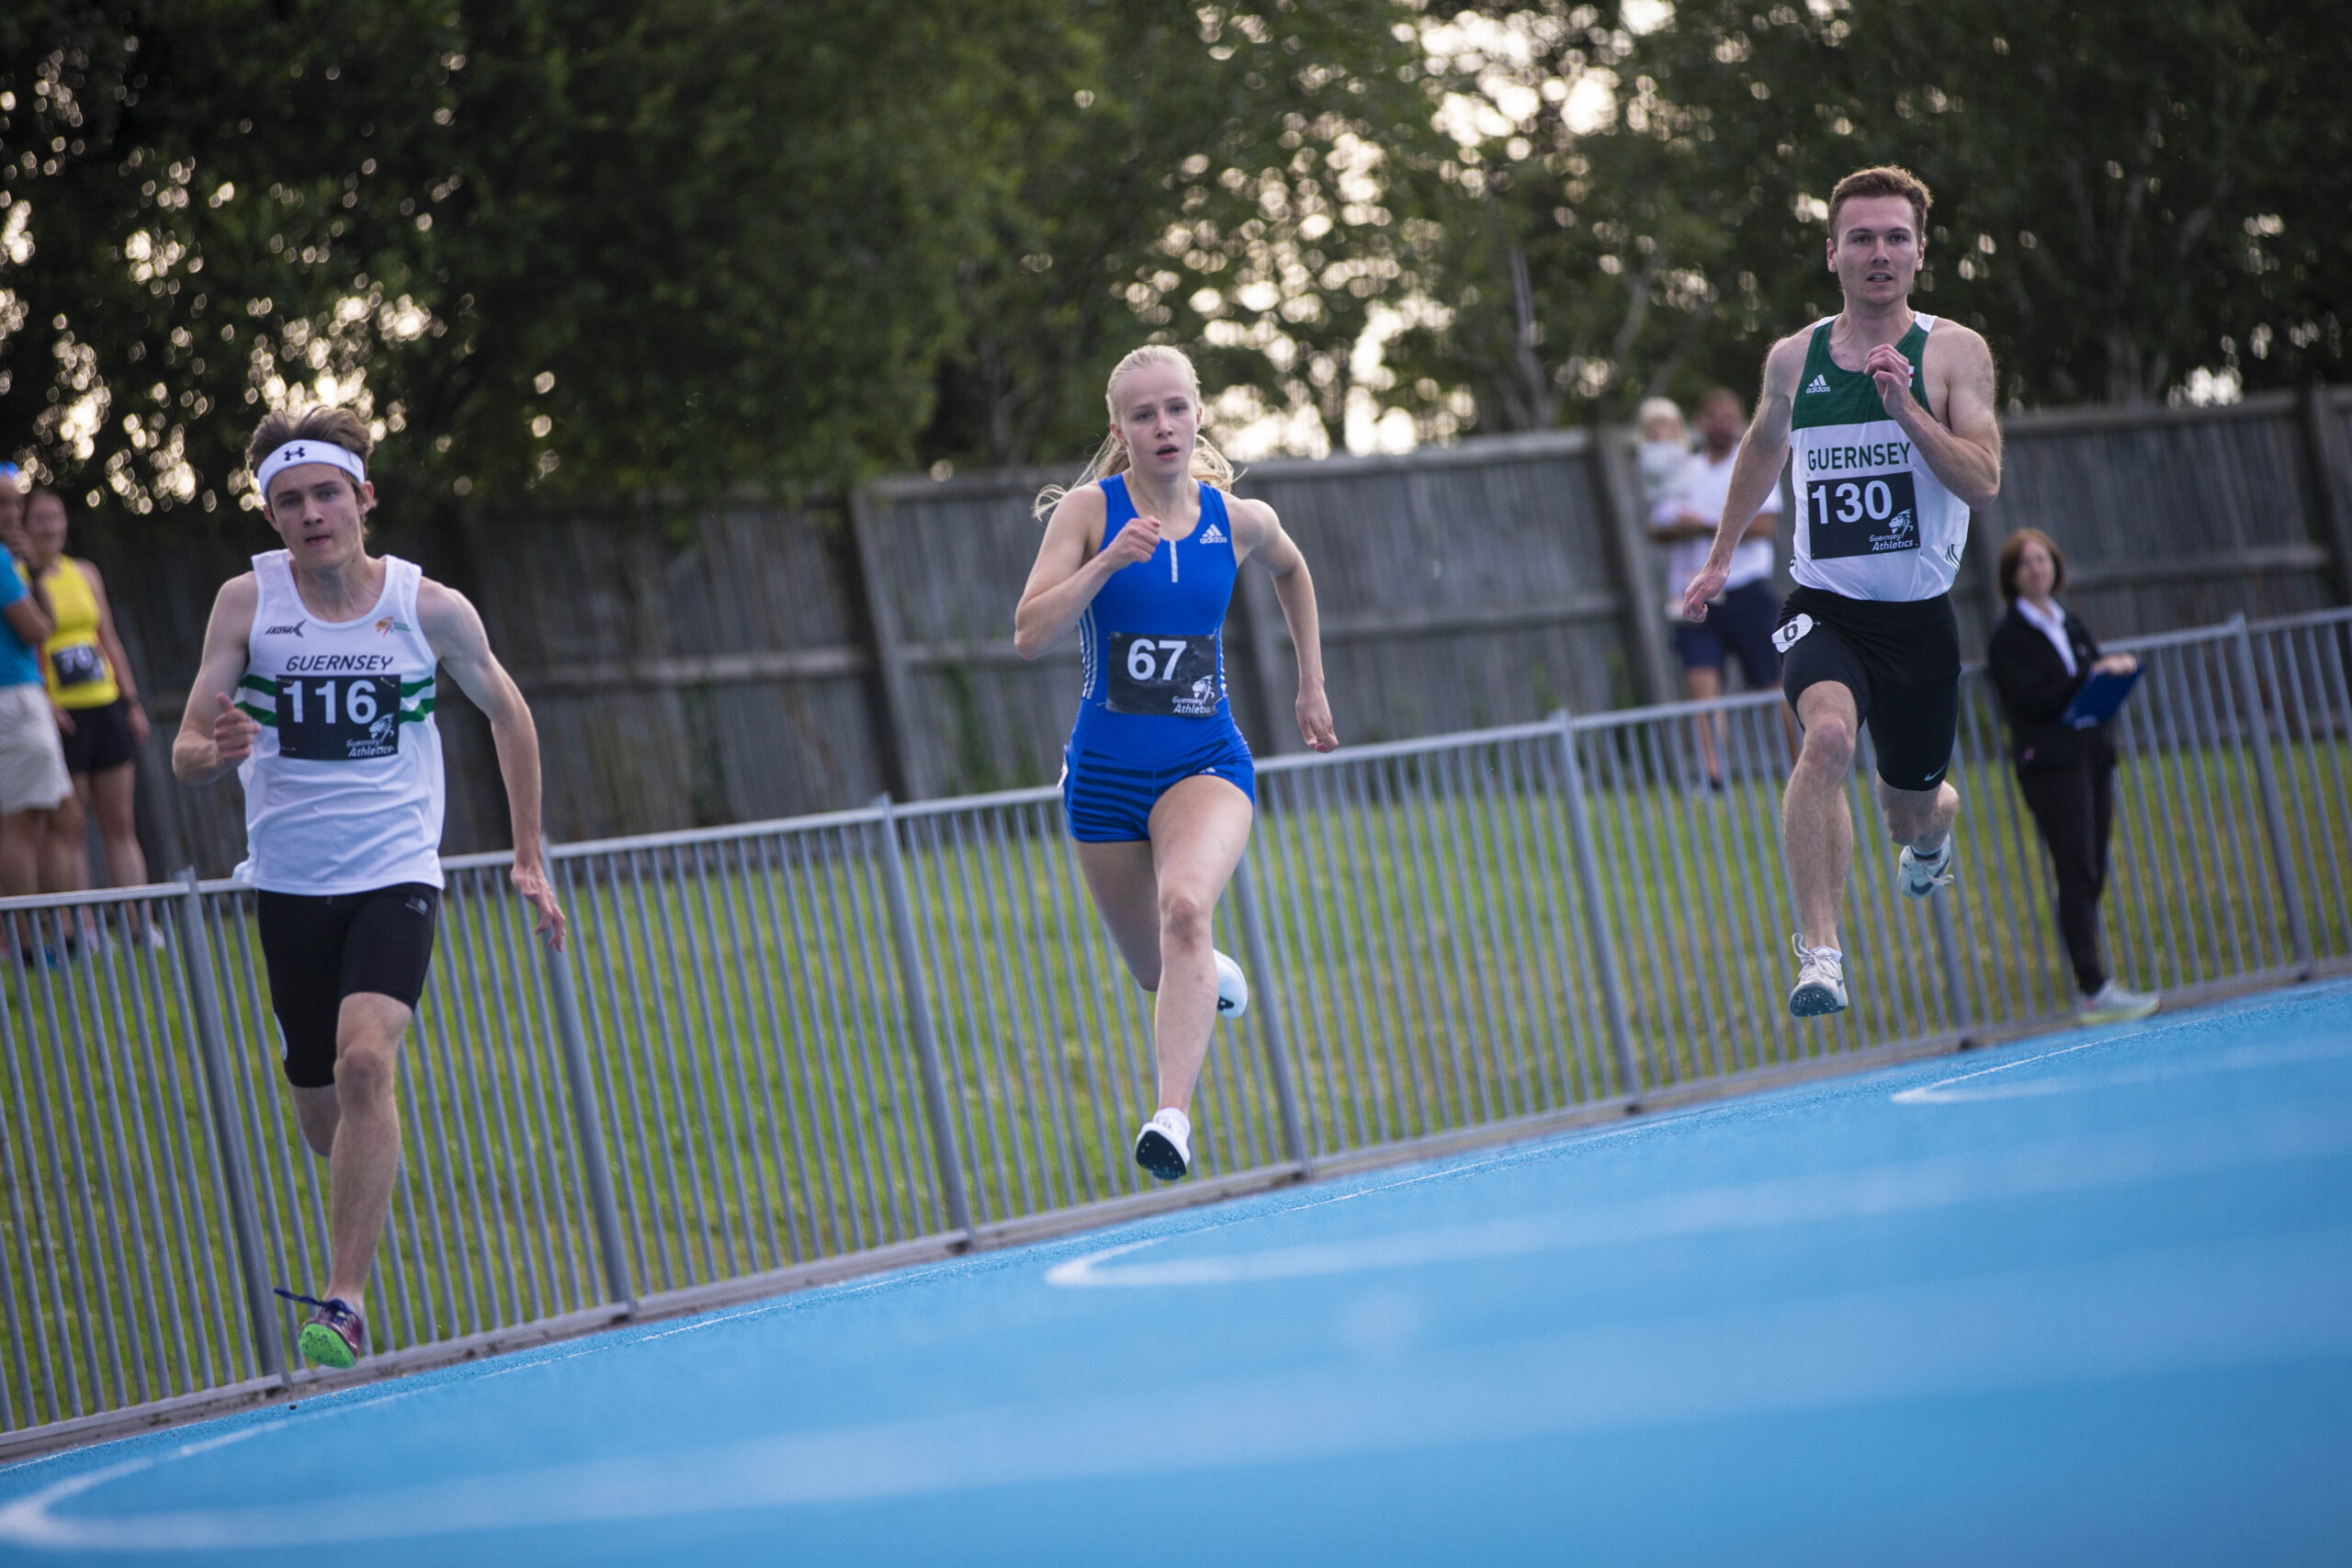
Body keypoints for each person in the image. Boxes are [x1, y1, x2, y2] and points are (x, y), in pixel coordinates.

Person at [173, 406, 566, 1369]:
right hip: (290, 885)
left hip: (396, 869)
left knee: (364, 1066)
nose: (311, 514)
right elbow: (184, 749)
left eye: (326, 495)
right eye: (289, 500)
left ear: (364, 499)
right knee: (322, 1104)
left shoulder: (427, 609)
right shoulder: (247, 604)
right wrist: (212, 753)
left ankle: (342, 1300)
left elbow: (509, 715)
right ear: (271, 516)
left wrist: (527, 852)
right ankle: (356, 1147)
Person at [1681, 164, 2001, 1018]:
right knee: (1823, 742)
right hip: (1823, 607)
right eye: (1861, 237)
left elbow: (1984, 479)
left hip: (1918, 624)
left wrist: (1908, 413)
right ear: (1833, 253)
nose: (1879, 253)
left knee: (1909, 810)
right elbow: (1759, 445)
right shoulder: (1797, 357)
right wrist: (1718, 557)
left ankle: (1932, 830)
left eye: (1896, 236)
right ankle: (1820, 953)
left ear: (1920, 252)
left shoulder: (1954, 352)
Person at [1015, 345, 1337, 1181]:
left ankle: (1171, 1118)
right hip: (1103, 783)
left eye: (1176, 409)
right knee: (1158, 971)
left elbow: (1294, 571)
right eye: (1143, 414)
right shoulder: (1089, 512)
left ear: (1199, 414)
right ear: (1119, 430)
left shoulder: (1239, 520)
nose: (1163, 426)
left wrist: (1311, 685)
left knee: (1187, 905)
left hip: (1206, 762)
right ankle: (1209, 968)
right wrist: (1107, 562)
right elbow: (1028, 634)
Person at [1986, 528, 2159, 1025]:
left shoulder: (2071, 623)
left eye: (2043, 560)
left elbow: (2091, 670)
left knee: (2093, 864)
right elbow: (2029, 698)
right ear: (2012, 577)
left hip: (2091, 756)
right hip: (2052, 765)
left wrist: (2113, 671)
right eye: (2026, 563)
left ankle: (2095, 979)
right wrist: (2087, 679)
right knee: (2075, 864)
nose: (2037, 569)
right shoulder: (2009, 638)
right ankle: (2092, 986)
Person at [21, 486, 158, 942]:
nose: (50, 526)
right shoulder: (17, 577)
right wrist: (47, 702)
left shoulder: (86, 572)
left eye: (56, 517)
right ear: (24, 524)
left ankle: (140, 925)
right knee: (70, 826)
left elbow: (108, 637)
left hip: (105, 704)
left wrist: (130, 700)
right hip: (63, 713)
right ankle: (83, 929)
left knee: (120, 822)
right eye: (40, 519)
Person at [1651, 387, 1786, 789]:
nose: (1723, 424)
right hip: (1692, 595)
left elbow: (1764, 526)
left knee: (1771, 684)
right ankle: (1713, 778)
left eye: (1730, 416)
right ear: (1700, 422)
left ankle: (1803, 768)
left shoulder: (1752, 462)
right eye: (1715, 416)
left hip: (1745, 590)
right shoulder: (1684, 471)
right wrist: (1674, 527)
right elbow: (1655, 526)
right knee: (1701, 684)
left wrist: (1706, 526)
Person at [0, 466, 71, 961]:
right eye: (1, 506)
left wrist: (36, 573)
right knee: (21, 823)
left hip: (20, 697)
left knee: (36, 817)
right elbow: (38, 629)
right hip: (14, 698)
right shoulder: (1, 560)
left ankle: (36, 938)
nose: (11, 516)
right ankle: (25, 944)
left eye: (13, 505)